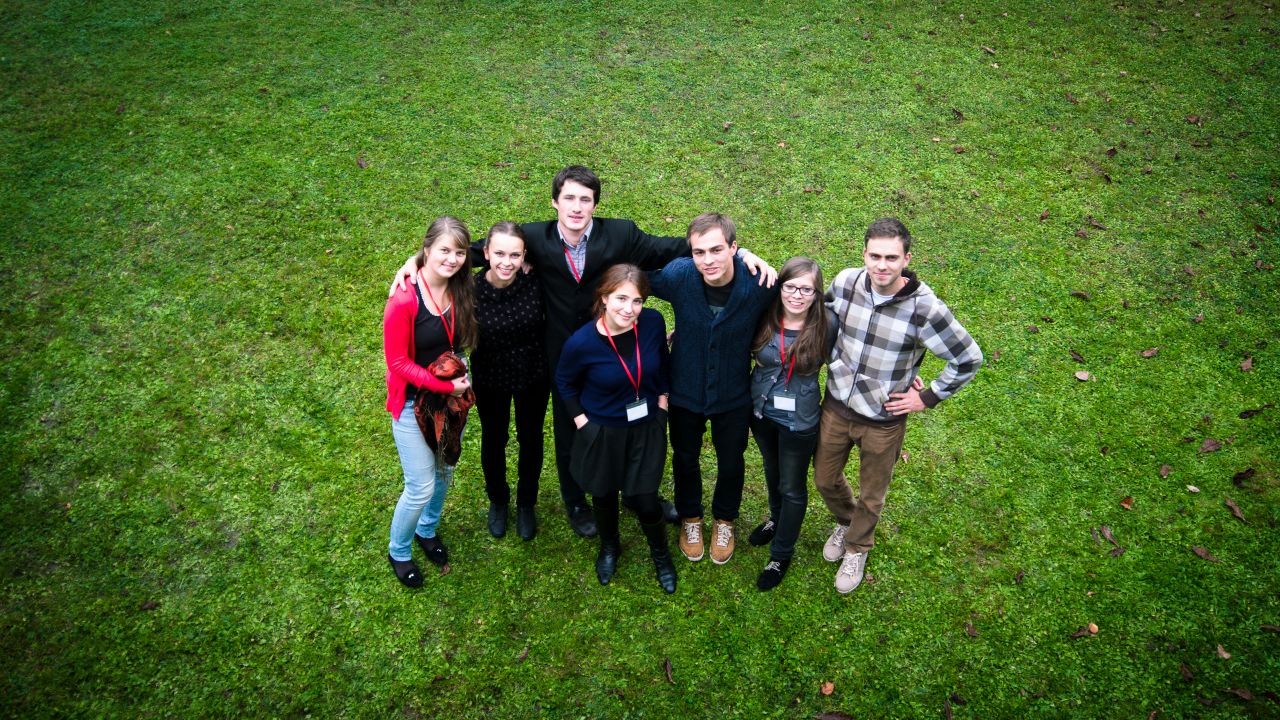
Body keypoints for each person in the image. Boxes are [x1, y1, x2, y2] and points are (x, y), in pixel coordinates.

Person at [392, 166, 774, 539]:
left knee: (632, 424)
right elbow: (479, 252)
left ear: (595, 204)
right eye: (569, 198)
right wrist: (419, 261)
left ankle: (636, 491)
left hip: (616, 346)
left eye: (585, 199)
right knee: (569, 431)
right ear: (555, 202)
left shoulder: (621, 234)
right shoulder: (534, 238)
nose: (577, 207)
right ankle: (575, 502)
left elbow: (672, 247)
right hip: (563, 354)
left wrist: (740, 254)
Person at [814, 218, 983, 594]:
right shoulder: (846, 282)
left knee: (872, 494)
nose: (882, 265)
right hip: (837, 406)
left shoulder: (925, 309)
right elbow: (820, 318)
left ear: (906, 259)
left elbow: (968, 358)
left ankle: (857, 547)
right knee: (824, 478)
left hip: (884, 420)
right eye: (875, 256)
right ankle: (846, 521)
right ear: (864, 254)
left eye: (891, 257)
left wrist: (926, 396)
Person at [647, 213, 776, 566]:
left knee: (731, 461)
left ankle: (724, 520)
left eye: (717, 250)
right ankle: (690, 517)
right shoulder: (679, 276)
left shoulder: (759, 283)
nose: (708, 260)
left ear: (734, 248)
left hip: (733, 394)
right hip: (684, 390)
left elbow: (802, 296)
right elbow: (634, 278)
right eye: (699, 252)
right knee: (685, 457)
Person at [554, 265, 677, 593]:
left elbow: (662, 363)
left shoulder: (652, 323)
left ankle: (660, 554)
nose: (629, 309)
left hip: (646, 425)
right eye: (621, 299)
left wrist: (662, 402)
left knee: (646, 498)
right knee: (604, 494)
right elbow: (565, 382)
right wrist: (582, 421)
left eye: (637, 301)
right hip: (603, 429)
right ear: (604, 298)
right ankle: (610, 547)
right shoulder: (582, 342)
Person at [382, 216, 478, 588]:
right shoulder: (404, 298)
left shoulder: (460, 286)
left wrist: (455, 384)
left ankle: (427, 528)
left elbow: (502, 251)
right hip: (413, 403)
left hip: (449, 402)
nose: (452, 259)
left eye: (459, 253)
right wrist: (445, 386)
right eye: (444, 251)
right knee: (421, 485)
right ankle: (399, 550)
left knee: (444, 471)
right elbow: (397, 363)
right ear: (426, 250)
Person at [745, 257, 836, 590]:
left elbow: (860, 353)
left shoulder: (829, 324)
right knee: (772, 470)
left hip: (800, 420)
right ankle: (776, 518)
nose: (797, 295)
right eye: (791, 287)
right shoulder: (764, 315)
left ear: (817, 294)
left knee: (792, 486)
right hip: (761, 412)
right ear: (780, 287)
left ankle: (781, 554)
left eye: (806, 290)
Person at [471, 222, 547, 540]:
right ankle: (498, 500)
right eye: (499, 253)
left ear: (524, 255)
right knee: (494, 438)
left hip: (533, 374)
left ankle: (526, 503)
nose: (507, 262)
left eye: (515, 255)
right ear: (486, 253)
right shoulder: (470, 290)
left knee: (531, 438)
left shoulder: (536, 281)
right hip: (490, 377)